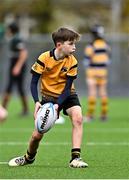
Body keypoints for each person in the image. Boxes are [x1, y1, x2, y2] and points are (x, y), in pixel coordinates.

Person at [8, 27, 88, 168]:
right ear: (59, 45)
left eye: (74, 44)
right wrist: (37, 102)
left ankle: (75, 158)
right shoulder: (44, 58)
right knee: (37, 135)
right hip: (48, 97)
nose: (74, 47)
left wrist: (58, 105)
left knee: (78, 118)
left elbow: (68, 86)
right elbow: (34, 83)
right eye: (71, 44)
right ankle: (28, 157)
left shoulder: (72, 61)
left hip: (67, 95)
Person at [83, 24, 111, 121]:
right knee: (103, 93)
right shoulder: (106, 45)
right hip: (103, 72)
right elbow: (108, 60)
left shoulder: (91, 45)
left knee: (92, 93)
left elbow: (87, 60)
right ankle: (104, 114)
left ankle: (90, 115)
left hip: (92, 72)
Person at [2, 22, 29, 116]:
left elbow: (24, 53)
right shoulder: (14, 38)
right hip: (15, 64)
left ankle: (3, 110)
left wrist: (17, 66)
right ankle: (25, 110)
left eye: (8, 29)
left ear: (11, 29)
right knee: (17, 87)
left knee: (12, 86)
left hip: (17, 65)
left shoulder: (17, 39)